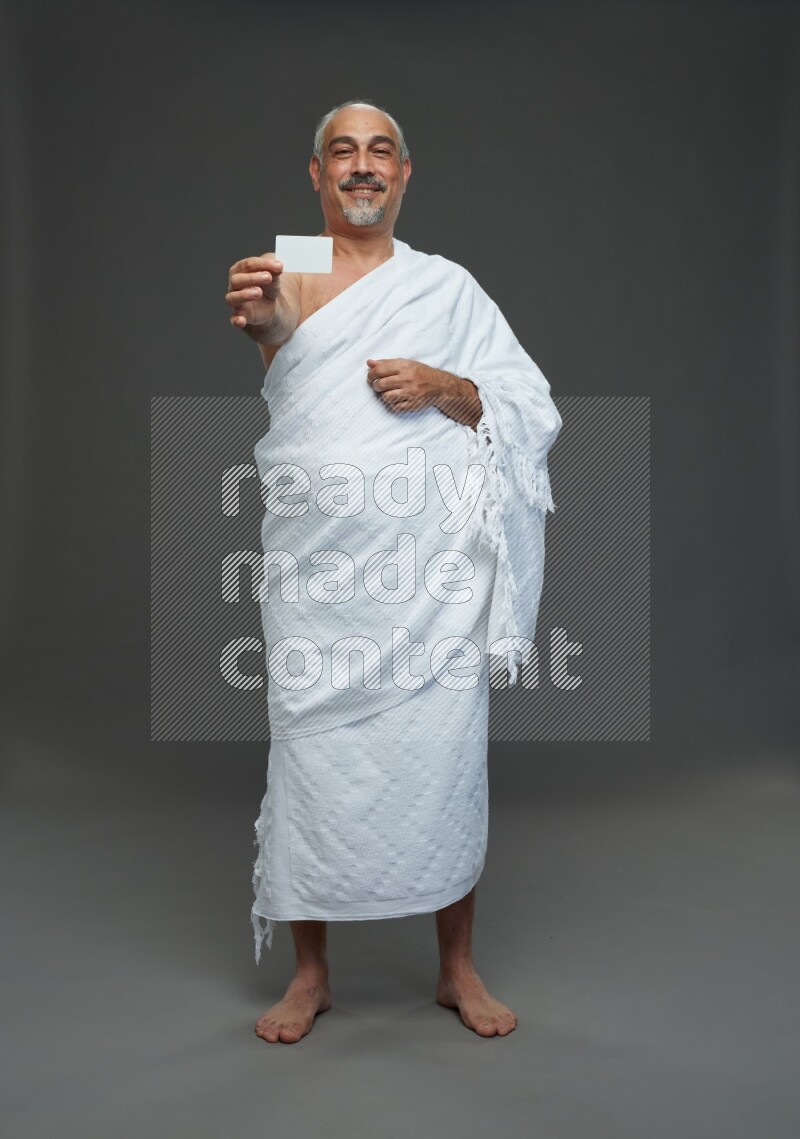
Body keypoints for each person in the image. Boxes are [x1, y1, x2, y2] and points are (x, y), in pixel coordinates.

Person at [224, 100, 562, 1044]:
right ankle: (310, 975)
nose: (363, 167)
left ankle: (456, 968)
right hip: (319, 581)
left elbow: (529, 403)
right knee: (311, 760)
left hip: (432, 588)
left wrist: (447, 386)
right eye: (344, 152)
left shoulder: (448, 286)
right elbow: (271, 325)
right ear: (316, 174)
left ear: (406, 174)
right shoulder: (292, 265)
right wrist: (259, 320)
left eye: (381, 153)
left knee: (444, 762)